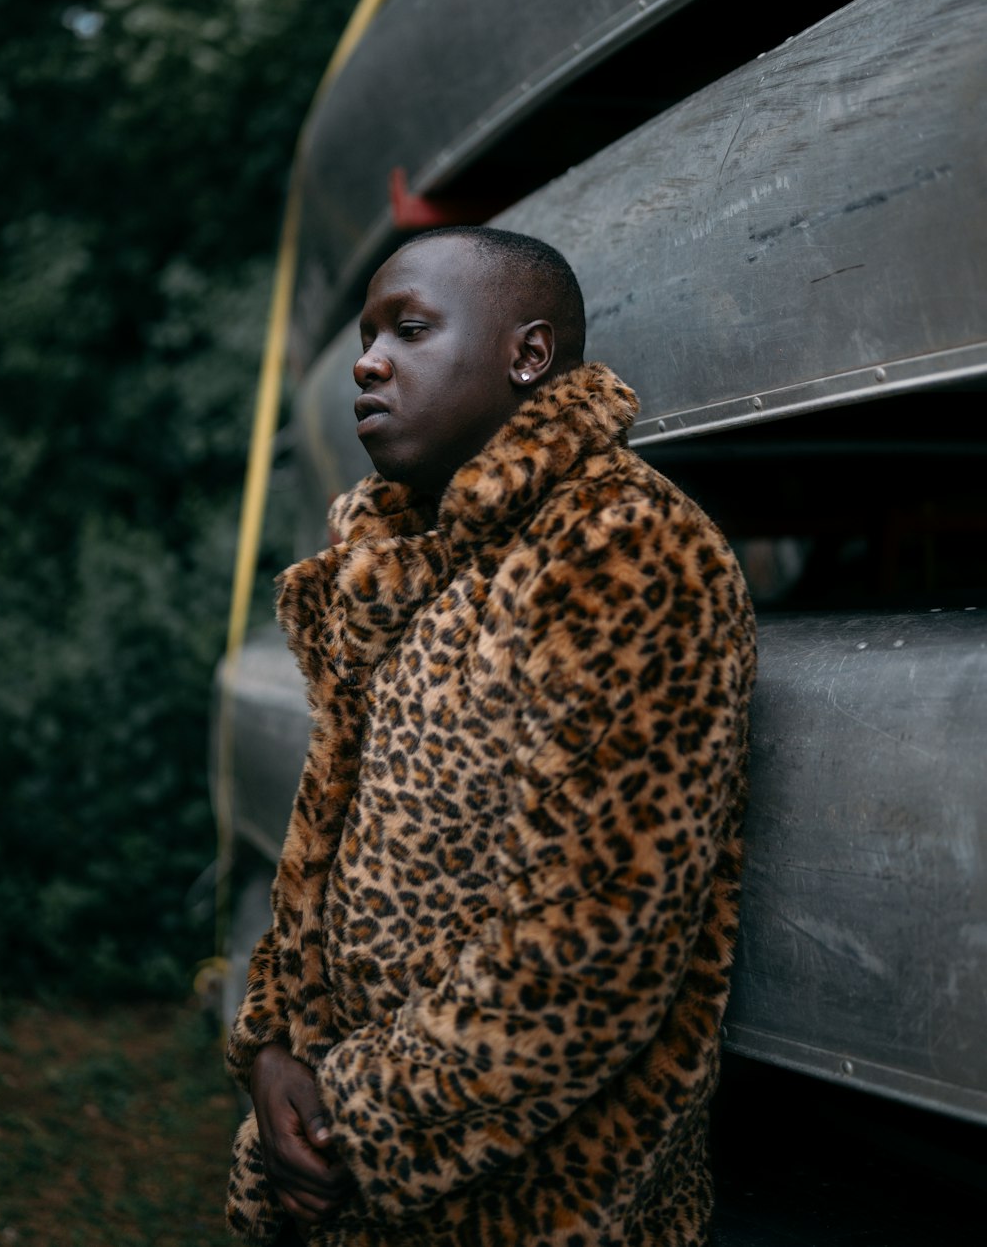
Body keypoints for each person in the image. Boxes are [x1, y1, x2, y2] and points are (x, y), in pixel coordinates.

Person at [225, 226, 757, 1247]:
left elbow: (592, 946)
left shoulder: (619, 545)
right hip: (348, 1167)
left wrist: (355, 1125)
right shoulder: (404, 563)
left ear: (528, 354)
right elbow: (318, 851)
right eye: (367, 332)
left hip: (538, 1205)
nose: (368, 358)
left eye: (410, 329)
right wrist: (279, 1049)